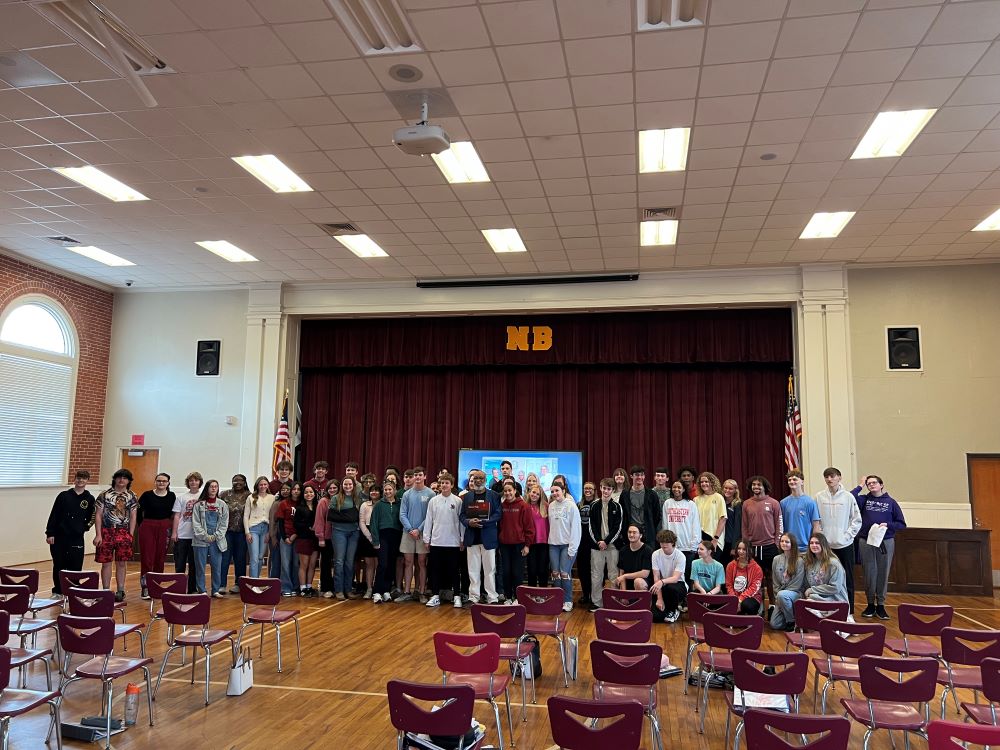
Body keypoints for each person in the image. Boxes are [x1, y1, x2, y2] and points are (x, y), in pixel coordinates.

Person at [852, 474, 906, 620]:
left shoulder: (891, 502)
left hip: (885, 541)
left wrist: (888, 525)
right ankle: (870, 604)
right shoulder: (864, 500)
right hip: (866, 541)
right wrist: (860, 485)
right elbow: (850, 497)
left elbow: (901, 524)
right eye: (869, 483)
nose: (871, 485)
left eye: (874, 482)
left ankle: (881, 605)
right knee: (869, 572)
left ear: (881, 485)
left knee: (883, 572)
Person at [815, 467, 862, 614]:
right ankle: (828, 610)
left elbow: (857, 520)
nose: (830, 479)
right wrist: (822, 537)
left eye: (832, 476)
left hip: (845, 545)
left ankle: (849, 612)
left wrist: (847, 536)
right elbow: (816, 520)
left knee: (847, 578)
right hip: (826, 547)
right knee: (824, 578)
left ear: (839, 478)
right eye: (827, 477)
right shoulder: (819, 497)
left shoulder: (848, 497)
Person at [45, 469, 95, 595]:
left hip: (77, 537)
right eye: (78, 478)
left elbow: (92, 517)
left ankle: (73, 591)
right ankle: (57, 591)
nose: (80, 480)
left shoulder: (89, 498)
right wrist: (50, 533)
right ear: (75, 479)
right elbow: (54, 515)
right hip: (59, 536)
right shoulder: (63, 496)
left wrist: (83, 528)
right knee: (59, 565)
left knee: (75, 565)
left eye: (83, 478)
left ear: (87, 481)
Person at [93, 468, 138, 601]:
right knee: (106, 563)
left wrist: (130, 534)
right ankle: (106, 589)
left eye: (125, 478)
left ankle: (120, 590)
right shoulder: (104, 494)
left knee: (121, 563)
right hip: (106, 531)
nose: (121, 480)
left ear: (128, 481)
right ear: (114, 479)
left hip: (123, 531)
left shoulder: (132, 495)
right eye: (119, 477)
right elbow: (98, 515)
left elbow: (133, 516)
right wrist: (98, 534)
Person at [459, 469, 502, 605]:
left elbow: (498, 514)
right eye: (475, 478)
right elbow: (462, 515)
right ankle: (474, 597)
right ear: (472, 479)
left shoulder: (494, 496)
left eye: (481, 478)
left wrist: (485, 521)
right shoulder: (466, 497)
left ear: (485, 479)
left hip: (488, 537)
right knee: (473, 570)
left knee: (490, 570)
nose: (478, 480)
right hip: (472, 537)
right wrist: (468, 522)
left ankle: (492, 597)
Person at [423, 472, 464, 608]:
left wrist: (462, 539)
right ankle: (435, 596)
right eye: (442, 483)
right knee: (435, 570)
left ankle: (457, 596)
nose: (444, 485)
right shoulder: (433, 501)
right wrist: (426, 539)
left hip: (453, 542)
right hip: (436, 541)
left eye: (447, 483)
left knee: (454, 570)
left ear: (451, 485)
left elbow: (461, 522)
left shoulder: (457, 501)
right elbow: (429, 520)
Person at [742, 475, 783, 609]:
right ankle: (757, 604)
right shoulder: (746, 503)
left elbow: (779, 524)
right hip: (753, 546)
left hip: (769, 546)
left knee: (771, 577)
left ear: (764, 486)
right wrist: (746, 544)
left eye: (759, 484)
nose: (756, 487)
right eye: (754, 484)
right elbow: (744, 526)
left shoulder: (774, 503)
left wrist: (776, 543)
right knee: (754, 577)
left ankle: (772, 604)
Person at [588, 478, 624, 612]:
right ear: (600, 488)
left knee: (613, 574)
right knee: (596, 574)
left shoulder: (617, 506)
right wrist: (599, 541)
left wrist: (607, 541)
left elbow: (618, 527)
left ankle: (614, 601)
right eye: (603, 488)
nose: (605, 491)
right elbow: (591, 527)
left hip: (613, 547)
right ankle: (597, 602)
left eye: (609, 489)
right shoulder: (594, 505)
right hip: (597, 547)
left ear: (613, 490)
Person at [137, 473, 175, 599]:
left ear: (168, 483)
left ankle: (157, 586)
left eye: (164, 481)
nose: (161, 483)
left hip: (165, 526)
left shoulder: (171, 496)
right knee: (147, 558)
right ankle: (146, 587)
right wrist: (141, 525)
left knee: (160, 558)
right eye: (159, 481)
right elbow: (138, 511)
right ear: (155, 482)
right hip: (148, 525)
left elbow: (174, 514)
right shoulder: (147, 495)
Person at [399, 466, 434, 604]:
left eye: (420, 475)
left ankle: (421, 592)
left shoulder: (431, 494)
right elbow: (402, 514)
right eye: (415, 475)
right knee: (407, 562)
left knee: (421, 563)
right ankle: (407, 591)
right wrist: (410, 529)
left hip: (422, 534)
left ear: (425, 476)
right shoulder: (407, 494)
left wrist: (419, 530)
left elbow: (429, 516)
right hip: (408, 533)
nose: (417, 477)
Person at [497, 479, 533, 605]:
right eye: (505, 491)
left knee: (517, 572)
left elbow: (529, 527)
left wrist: (527, 545)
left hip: (519, 544)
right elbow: (499, 526)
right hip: (505, 544)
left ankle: (517, 598)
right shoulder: (501, 506)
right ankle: (508, 597)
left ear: (515, 491)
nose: (507, 493)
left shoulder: (524, 506)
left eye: (510, 491)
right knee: (506, 572)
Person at [546, 483, 581, 612]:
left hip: (567, 545)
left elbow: (576, 529)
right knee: (555, 573)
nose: (555, 493)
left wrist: (573, 548)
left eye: (557, 490)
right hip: (553, 545)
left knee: (564, 573)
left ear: (563, 490)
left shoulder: (571, 506)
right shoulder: (551, 506)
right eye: (552, 491)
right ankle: (558, 599)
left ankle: (567, 600)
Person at [192, 479, 229, 597]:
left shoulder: (222, 504)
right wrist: (205, 536)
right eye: (211, 486)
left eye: (216, 487)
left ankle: (215, 590)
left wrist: (216, 535)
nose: (213, 489)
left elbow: (224, 523)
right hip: (200, 540)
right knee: (200, 566)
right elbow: (196, 522)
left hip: (217, 540)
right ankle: (202, 590)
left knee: (217, 565)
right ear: (206, 488)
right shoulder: (198, 505)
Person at [370, 480, 403, 603]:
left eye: (390, 489)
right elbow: (373, 523)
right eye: (386, 490)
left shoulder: (399, 504)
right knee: (382, 564)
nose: (388, 492)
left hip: (395, 536)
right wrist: (375, 540)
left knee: (391, 564)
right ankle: (377, 591)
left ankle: (386, 590)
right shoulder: (379, 505)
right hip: (383, 536)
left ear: (394, 491)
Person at [329, 476, 361, 600]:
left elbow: (357, 517)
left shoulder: (357, 499)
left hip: (354, 533)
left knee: (349, 562)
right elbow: (332, 516)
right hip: (339, 532)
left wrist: (351, 518)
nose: (348, 486)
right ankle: (338, 590)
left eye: (350, 484)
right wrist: (349, 518)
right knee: (339, 561)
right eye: (345, 484)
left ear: (353, 485)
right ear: (342, 485)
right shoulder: (336, 498)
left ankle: (348, 589)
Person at [662, 480, 701, 583]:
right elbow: (665, 525)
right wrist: (666, 542)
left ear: (684, 489)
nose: (676, 489)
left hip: (688, 546)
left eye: (679, 487)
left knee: (687, 575)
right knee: (673, 575)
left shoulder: (691, 504)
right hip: (672, 547)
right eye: (674, 487)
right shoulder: (667, 503)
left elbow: (696, 524)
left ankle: (687, 597)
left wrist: (694, 544)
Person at [171, 471, 203, 593]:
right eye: (191, 480)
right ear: (188, 483)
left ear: (200, 482)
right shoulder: (181, 498)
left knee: (194, 565)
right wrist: (174, 533)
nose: (193, 482)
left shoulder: (203, 497)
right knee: (180, 564)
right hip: (182, 535)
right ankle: (178, 588)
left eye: (196, 480)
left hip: (197, 537)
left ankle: (191, 589)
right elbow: (177, 516)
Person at [220, 474, 250, 594]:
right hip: (226, 531)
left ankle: (239, 583)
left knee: (240, 558)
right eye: (235, 481)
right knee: (224, 558)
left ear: (244, 482)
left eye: (240, 480)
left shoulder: (250, 495)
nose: (237, 483)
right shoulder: (224, 495)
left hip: (242, 532)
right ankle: (221, 584)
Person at [650, 529, 687, 623]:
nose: (663, 546)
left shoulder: (680, 556)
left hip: (678, 585)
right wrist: (659, 598)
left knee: (671, 588)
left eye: (666, 544)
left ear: (673, 543)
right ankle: (667, 608)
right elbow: (656, 577)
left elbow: (675, 578)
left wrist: (661, 582)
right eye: (662, 543)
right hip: (662, 585)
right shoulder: (655, 554)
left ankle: (674, 609)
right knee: (656, 617)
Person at [770, 531, 805, 631]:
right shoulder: (776, 559)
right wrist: (778, 597)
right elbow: (775, 582)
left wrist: (781, 594)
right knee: (774, 624)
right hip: (781, 596)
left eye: (787, 542)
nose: (784, 543)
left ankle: (791, 621)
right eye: (782, 541)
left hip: (795, 594)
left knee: (783, 595)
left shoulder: (799, 561)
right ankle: (794, 616)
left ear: (792, 544)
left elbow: (797, 585)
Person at [781, 470, 821, 553]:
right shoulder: (783, 503)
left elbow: (816, 525)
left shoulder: (810, 502)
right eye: (789, 480)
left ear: (802, 482)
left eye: (795, 479)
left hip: (805, 548)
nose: (792, 481)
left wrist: (813, 543)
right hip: (789, 547)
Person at [803, 533, 849, 604]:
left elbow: (835, 587)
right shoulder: (810, 563)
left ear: (823, 545)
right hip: (817, 597)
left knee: (811, 600)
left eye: (817, 543)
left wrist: (812, 590)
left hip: (836, 600)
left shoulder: (833, 563)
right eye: (811, 543)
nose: (814, 545)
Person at [243, 476, 274, 579]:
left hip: (266, 529)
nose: (263, 486)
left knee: (261, 557)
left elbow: (272, 516)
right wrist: (247, 532)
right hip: (253, 529)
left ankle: (257, 579)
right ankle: (253, 583)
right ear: (257, 485)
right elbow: (246, 516)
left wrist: (270, 532)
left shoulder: (272, 498)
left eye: (265, 484)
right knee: (254, 558)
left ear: (268, 485)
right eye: (261, 484)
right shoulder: (251, 497)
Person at [313, 477, 338, 597]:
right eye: (330, 488)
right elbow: (319, 521)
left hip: (339, 537)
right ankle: (325, 588)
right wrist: (321, 537)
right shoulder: (323, 501)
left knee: (338, 563)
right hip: (326, 538)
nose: (332, 490)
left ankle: (336, 586)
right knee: (326, 564)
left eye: (335, 488)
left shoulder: (341, 500)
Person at [293, 484, 319, 597]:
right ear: (303, 495)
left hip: (315, 539)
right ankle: (302, 588)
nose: (309, 494)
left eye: (311, 492)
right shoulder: (299, 508)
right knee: (304, 564)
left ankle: (309, 586)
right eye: (306, 492)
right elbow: (296, 524)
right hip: (304, 538)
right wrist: (309, 527)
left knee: (312, 564)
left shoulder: (318, 506)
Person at [624, 466, 662, 543]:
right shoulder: (624, 495)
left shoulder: (652, 494)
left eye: (642, 475)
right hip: (631, 533)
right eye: (637, 475)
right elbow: (623, 515)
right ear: (631, 476)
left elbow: (657, 515)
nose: (640, 477)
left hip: (648, 533)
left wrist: (650, 526)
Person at [725, 539, 763, 615]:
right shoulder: (730, 565)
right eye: (739, 549)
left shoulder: (757, 568)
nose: (741, 551)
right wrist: (734, 600)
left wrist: (740, 600)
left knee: (746, 605)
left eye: (744, 549)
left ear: (749, 550)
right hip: (734, 596)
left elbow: (754, 588)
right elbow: (728, 585)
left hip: (752, 598)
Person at [358, 482, 382, 599]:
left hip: (380, 535)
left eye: (377, 490)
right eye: (372, 490)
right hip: (367, 535)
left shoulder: (383, 504)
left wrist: (377, 538)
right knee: (369, 564)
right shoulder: (364, 505)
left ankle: (378, 589)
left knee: (379, 564)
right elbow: (362, 522)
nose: (374, 492)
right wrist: (370, 537)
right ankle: (369, 588)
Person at [695, 472, 727, 561]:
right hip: (700, 537)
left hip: (714, 537)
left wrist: (715, 539)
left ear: (712, 482)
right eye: (702, 482)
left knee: (712, 565)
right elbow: (693, 521)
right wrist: (698, 538)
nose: (704, 484)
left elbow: (723, 519)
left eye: (706, 481)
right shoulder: (696, 499)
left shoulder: (718, 497)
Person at [270, 482, 295, 595]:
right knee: (277, 562)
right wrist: (273, 537)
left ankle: (289, 585)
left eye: (287, 489)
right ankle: (273, 586)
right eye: (283, 489)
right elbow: (273, 522)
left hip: (291, 535)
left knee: (289, 562)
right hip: (278, 535)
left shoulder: (294, 503)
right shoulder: (277, 503)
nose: (285, 491)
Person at [614, 525, 652, 591]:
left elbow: (645, 573)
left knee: (638, 582)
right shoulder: (623, 550)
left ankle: (643, 601)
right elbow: (621, 573)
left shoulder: (647, 550)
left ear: (640, 535)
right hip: (628, 582)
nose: (631, 535)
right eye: (629, 532)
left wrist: (625, 576)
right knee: (615, 583)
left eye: (634, 532)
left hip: (643, 582)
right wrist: (624, 594)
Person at [525, 485, 549, 587]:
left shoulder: (546, 506)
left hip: (544, 542)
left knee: (542, 570)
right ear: (529, 492)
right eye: (533, 492)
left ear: (540, 496)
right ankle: (532, 594)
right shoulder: (525, 506)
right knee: (532, 570)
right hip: (531, 543)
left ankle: (543, 594)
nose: (535, 495)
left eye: (538, 494)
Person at [575, 481, 595, 607]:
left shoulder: (597, 504)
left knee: (594, 570)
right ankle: (585, 594)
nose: (587, 490)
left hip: (593, 542)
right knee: (582, 569)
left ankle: (594, 595)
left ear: (594, 490)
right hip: (581, 542)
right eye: (585, 488)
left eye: (590, 488)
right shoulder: (578, 504)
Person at [721, 479, 743, 561]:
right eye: (725, 488)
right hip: (720, 540)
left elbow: (737, 526)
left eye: (730, 489)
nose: (727, 490)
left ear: (735, 490)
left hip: (729, 542)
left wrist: (734, 547)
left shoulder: (737, 504)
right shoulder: (720, 502)